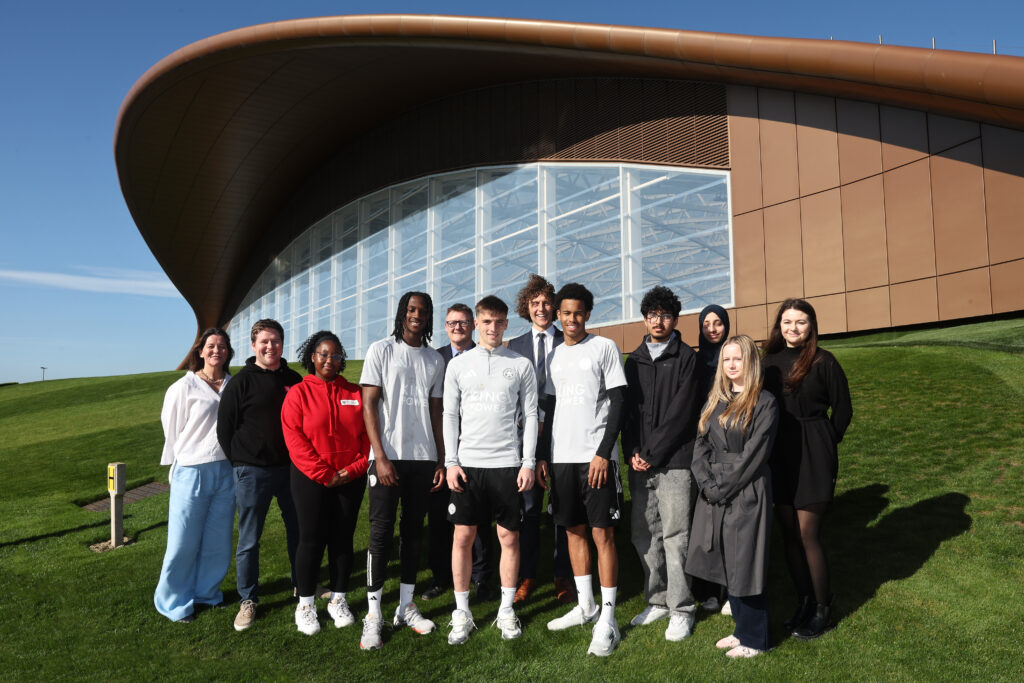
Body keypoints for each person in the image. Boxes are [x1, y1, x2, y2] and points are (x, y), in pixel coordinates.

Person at [443, 296, 538, 644]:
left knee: (509, 538)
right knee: (463, 538)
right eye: (486, 322)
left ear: (506, 324)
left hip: (507, 466)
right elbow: (450, 416)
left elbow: (530, 417)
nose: (493, 328)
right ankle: (462, 612)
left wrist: (527, 462)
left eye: (499, 322)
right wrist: (451, 461)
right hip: (468, 466)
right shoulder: (458, 365)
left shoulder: (521, 364)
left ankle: (506, 610)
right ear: (476, 324)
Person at [540, 283, 628, 657]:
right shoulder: (554, 356)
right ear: (557, 315)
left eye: (578, 312)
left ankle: (608, 617)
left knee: (602, 534)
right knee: (573, 532)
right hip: (562, 460)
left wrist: (603, 454)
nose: (571, 319)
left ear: (588, 314)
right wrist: (544, 456)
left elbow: (619, 402)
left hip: (595, 459)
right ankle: (586, 605)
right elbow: (549, 408)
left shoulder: (604, 347)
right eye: (565, 313)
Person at [358, 291, 446, 650]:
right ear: (402, 313)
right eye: (411, 310)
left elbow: (437, 413)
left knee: (412, 534)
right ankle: (374, 615)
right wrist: (380, 456)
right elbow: (369, 404)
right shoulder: (381, 350)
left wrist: (440, 458)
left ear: (428, 318)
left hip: (422, 459)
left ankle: (406, 606)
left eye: (423, 312)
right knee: (380, 535)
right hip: (387, 457)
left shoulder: (434, 359)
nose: (417, 316)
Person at [762, 299, 852, 640]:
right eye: (787, 322)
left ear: (811, 326)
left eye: (800, 322)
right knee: (788, 534)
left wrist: (827, 441)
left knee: (807, 534)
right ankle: (803, 600)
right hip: (779, 453)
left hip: (814, 451)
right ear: (779, 325)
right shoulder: (768, 362)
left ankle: (822, 609)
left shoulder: (824, 361)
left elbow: (843, 410)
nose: (793, 328)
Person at [686, 334, 779, 659]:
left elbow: (755, 455)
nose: (731, 364)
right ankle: (741, 628)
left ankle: (756, 638)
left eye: (737, 358)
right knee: (727, 561)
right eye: (726, 359)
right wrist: (706, 482)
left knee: (746, 563)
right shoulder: (716, 399)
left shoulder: (764, 402)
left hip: (746, 491)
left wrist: (721, 487)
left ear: (750, 362)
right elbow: (700, 446)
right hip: (714, 489)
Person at [621, 286, 700, 641]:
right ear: (644, 318)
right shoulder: (634, 359)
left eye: (665, 314)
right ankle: (657, 600)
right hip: (641, 463)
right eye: (652, 314)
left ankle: (682, 608)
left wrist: (652, 453)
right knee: (644, 534)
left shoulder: (686, 357)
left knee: (675, 535)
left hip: (675, 462)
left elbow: (682, 414)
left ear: (675, 319)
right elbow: (627, 414)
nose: (658, 320)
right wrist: (633, 452)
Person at [217, 319, 303, 632]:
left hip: (291, 470)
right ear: (254, 346)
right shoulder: (240, 382)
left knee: (299, 531)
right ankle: (248, 600)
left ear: (282, 344)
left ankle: (302, 585)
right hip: (252, 473)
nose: (270, 347)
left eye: (276, 341)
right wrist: (242, 462)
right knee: (250, 539)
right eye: (264, 342)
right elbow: (225, 430)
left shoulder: (293, 379)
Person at [282, 331, 369, 635]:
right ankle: (305, 605)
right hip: (310, 479)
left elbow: (367, 438)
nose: (329, 359)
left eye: (335, 354)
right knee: (312, 539)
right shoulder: (298, 393)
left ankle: (339, 599)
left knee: (343, 538)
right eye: (322, 353)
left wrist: (353, 470)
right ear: (312, 357)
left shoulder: (355, 393)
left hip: (350, 478)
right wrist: (325, 474)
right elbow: (295, 439)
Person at [154, 328, 235, 623]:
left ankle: (207, 593)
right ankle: (173, 602)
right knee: (182, 542)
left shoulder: (233, 385)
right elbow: (171, 430)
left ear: (228, 352)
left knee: (218, 541)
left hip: (226, 471)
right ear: (199, 351)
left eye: (222, 346)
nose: (217, 350)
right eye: (211, 346)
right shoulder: (183, 388)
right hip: (192, 470)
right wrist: (180, 462)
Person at [506, 274, 574, 605]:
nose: (541, 308)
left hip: (564, 437)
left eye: (547, 302)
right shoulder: (514, 347)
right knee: (528, 511)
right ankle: (528, 575)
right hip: (527, 442)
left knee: (562, 510)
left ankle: (563, 575)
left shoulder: (569, 340)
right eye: (535, 303)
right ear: (526, 307)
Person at [424, 304, 494, 603]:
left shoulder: (487, 357)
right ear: (445, 326)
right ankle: (441, 578)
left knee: (480, 521)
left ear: (474, 325)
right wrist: (440, 457)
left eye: (464, 323)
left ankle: (482, 579)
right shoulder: (435, 359)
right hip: (442, 451)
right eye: (452, 323)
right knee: (440, 519)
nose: (458, 328)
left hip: (480, 449)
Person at [692, 304, 731, 614]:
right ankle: (708, 590)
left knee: (729, 523)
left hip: (729, 446)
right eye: (707, 323)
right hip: (701, 446)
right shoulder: (695, 361)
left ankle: (732, 589)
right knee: (703, 524)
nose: (713, 328)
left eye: (718, 323)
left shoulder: (734, 358)